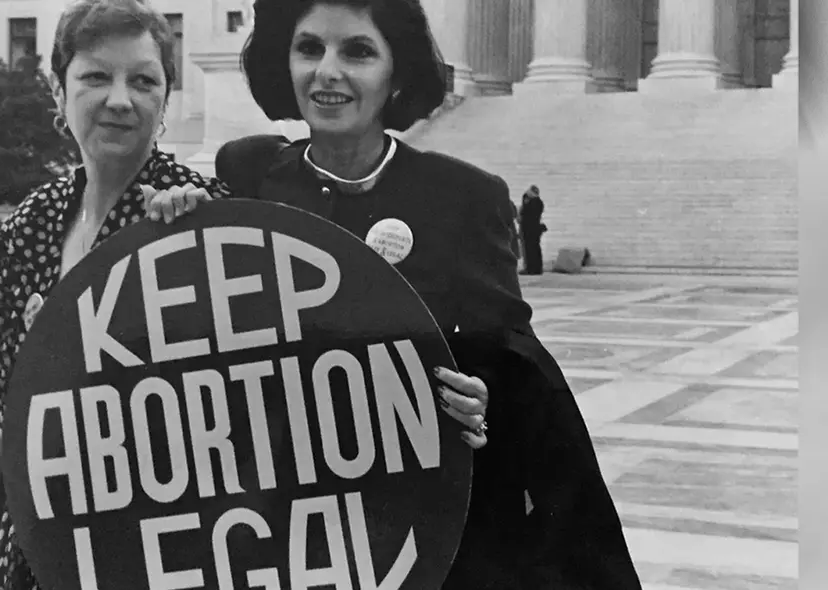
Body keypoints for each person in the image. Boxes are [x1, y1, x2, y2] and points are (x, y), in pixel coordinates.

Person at [167, 0, 638, 587]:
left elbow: (512, 360)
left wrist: (483, 397)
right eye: (309, 48)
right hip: (287, 528)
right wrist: (177, 218)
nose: (327, 71)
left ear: (398, 73)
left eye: (357, 51)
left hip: (417, 531)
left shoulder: (466, 197)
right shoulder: (250, 175)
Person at [0, 1, 229, 588]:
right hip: (40, 532)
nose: (120, 99)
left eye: (143, 80)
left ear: (165, 97)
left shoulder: (200, 213)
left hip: (159, 540)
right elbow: (10, 405)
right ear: (59, 91)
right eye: (95, 77)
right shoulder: (27, 227)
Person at [520, 184, 547, 275]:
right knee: (532, 249)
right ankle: (534, 268)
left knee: (532, 249)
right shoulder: (536, 202)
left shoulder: (535, 202)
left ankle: (532, 268)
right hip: (531, 229)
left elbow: (527, 214)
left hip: (531, 229)